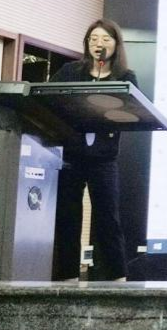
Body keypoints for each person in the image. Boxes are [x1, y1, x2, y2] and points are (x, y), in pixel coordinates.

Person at [50, 19, 138, 281]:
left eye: (105, 39)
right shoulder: (70, 71)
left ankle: (117, 276)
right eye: (94, 39)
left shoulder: (125, 77)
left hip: (103, 158)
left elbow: (133, 109)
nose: (99, 44)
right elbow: (48, 99)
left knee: (107, 216)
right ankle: (67, 275)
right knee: (67, 215)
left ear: (116, 45)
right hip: (71, 155)